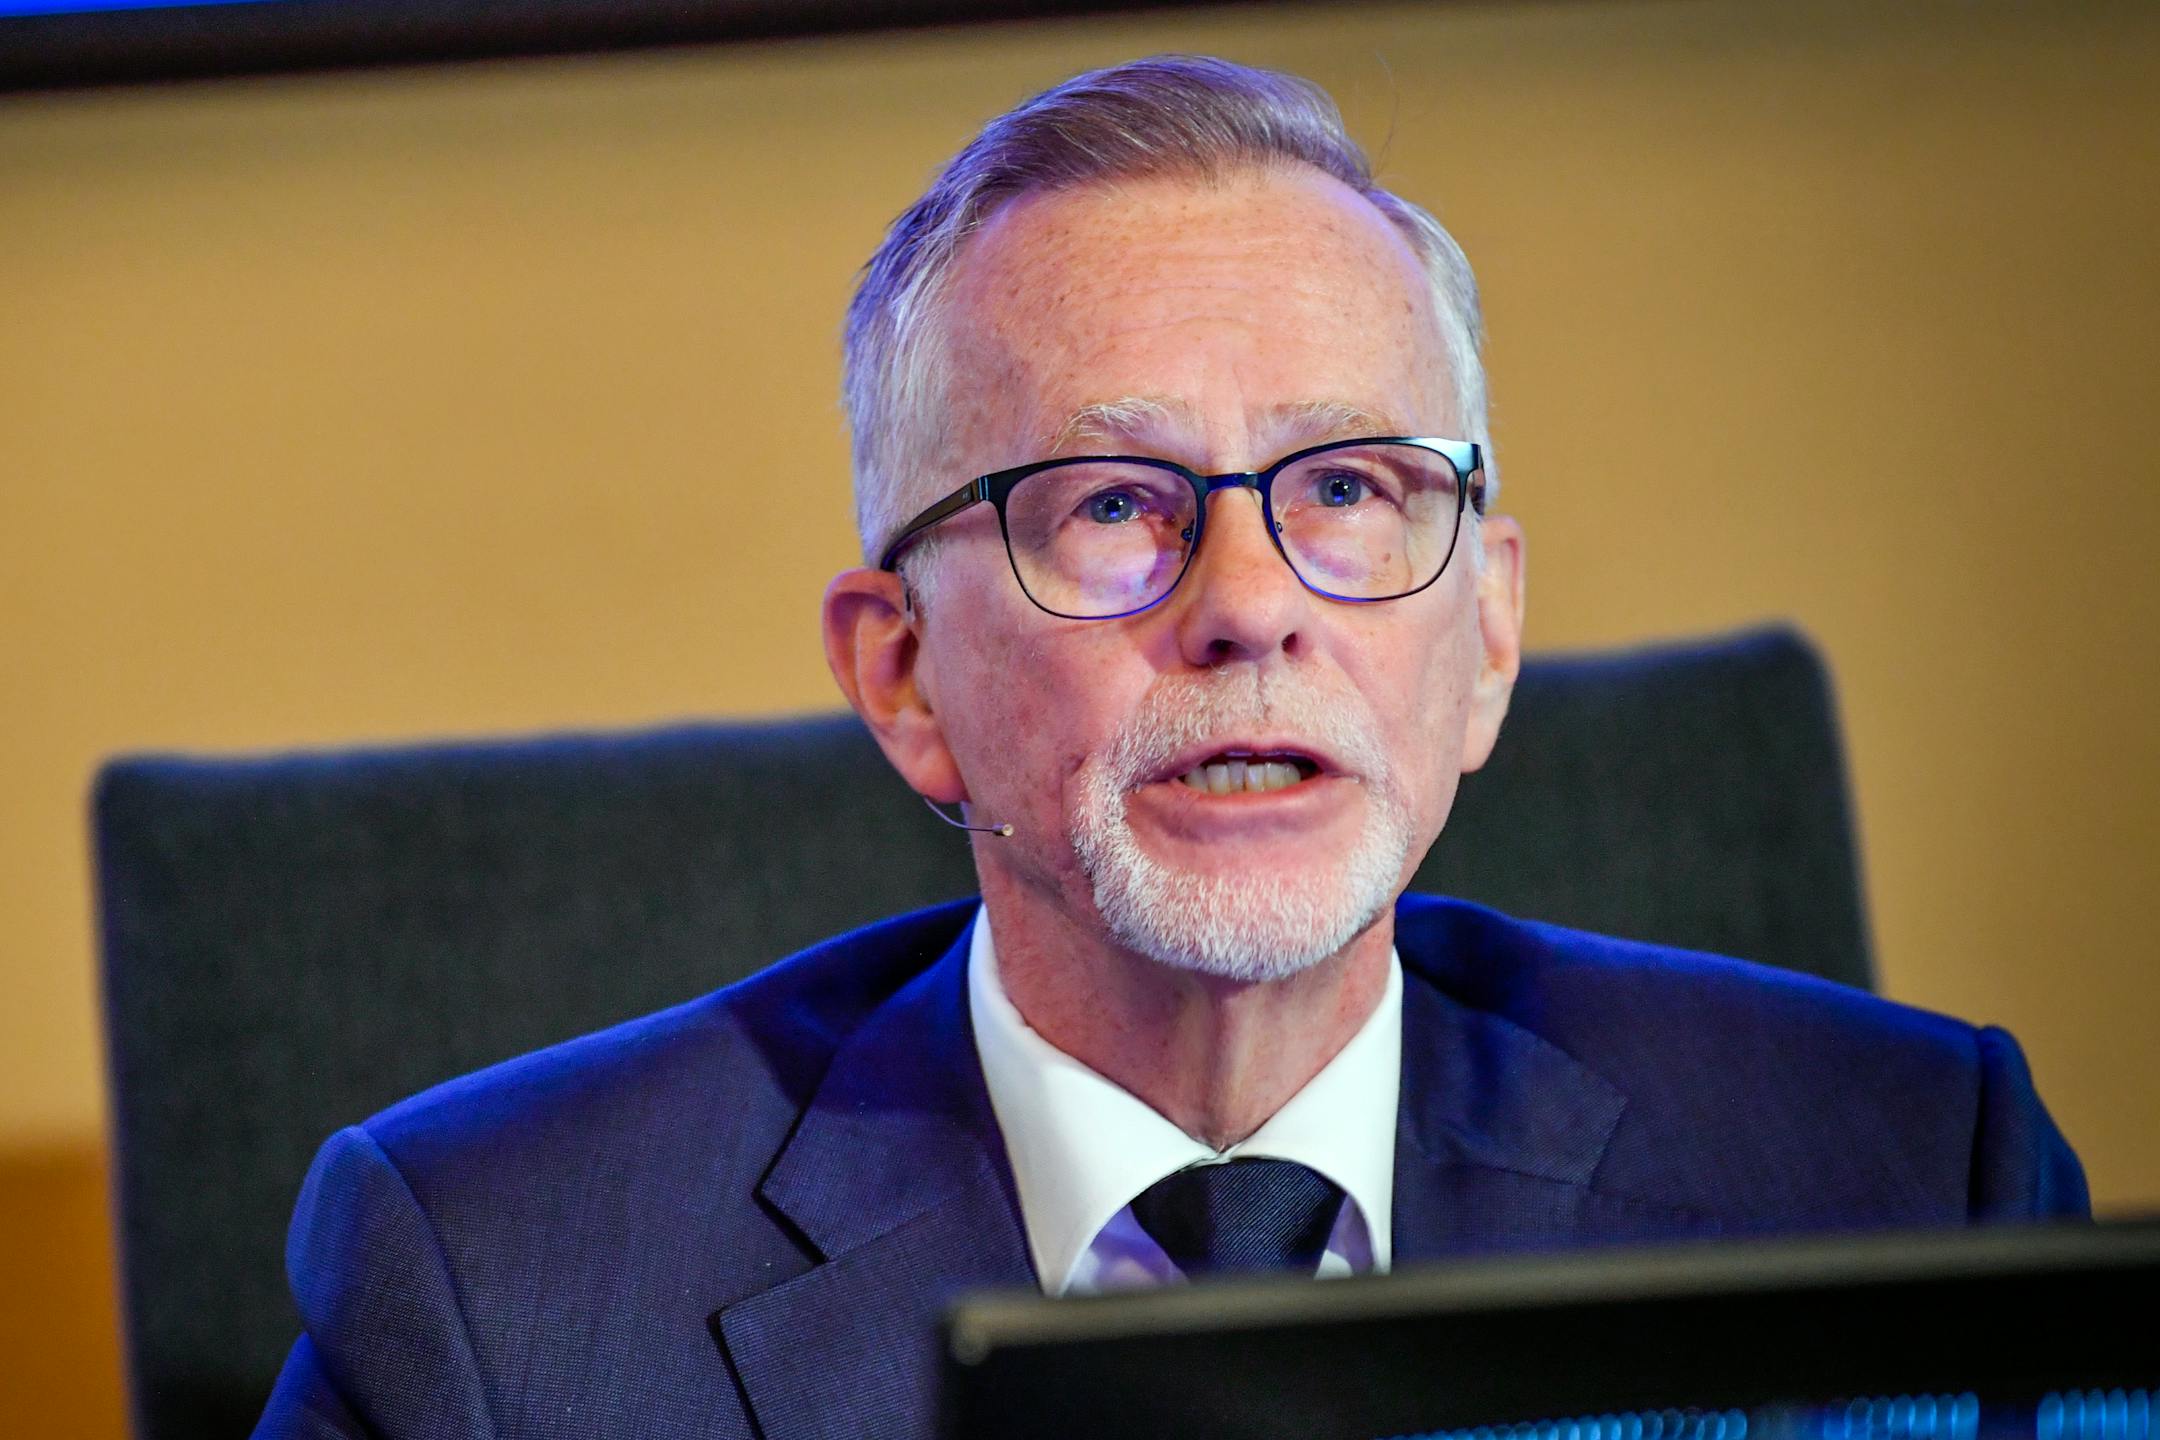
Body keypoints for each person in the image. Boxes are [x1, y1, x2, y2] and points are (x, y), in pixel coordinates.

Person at [252, 55, 2085, 1440]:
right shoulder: (493, 1299)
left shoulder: (1914, 1168)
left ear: (1489, 635)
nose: (1246, 602)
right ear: (903, 677)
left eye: (1349, 487)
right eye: (1117, 503)